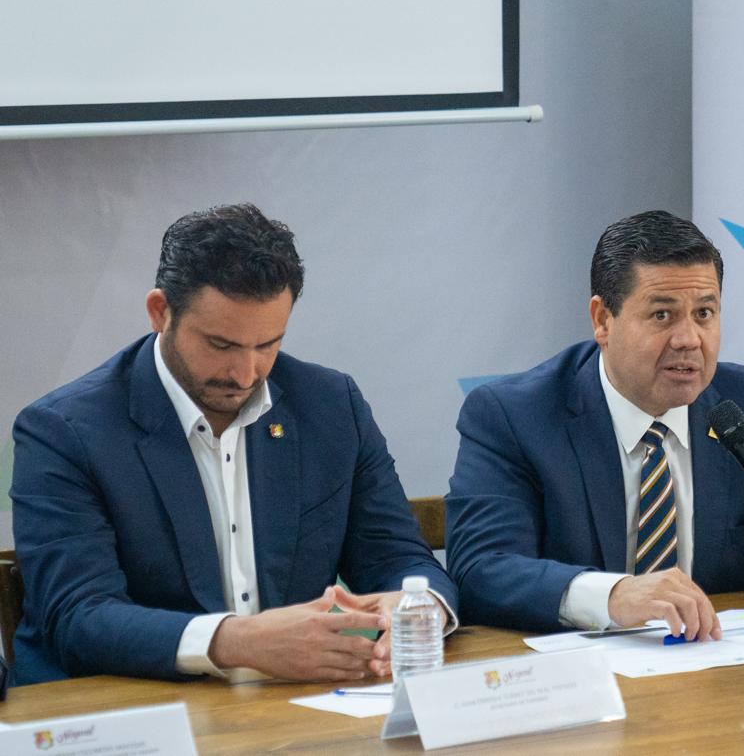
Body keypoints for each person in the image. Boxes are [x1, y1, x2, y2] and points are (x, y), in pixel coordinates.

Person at [10, 204, 456, 685]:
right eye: (221, 345)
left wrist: (415, 607)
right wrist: (237, 641)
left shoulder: (330, 405)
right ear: (161, 312)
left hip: (293, 704)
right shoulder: (64, 430)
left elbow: (399, 559)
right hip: (130, 704)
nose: (246, 374)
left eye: (268, 345)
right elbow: (78, 617)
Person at [446, 210, 744, 639]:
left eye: (704, 314)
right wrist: (614, 596)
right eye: (662, 315)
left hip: (727, 674)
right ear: (603, 320)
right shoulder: (515, 416)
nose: (689, 339)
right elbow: (482, 567)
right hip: (582, 676)